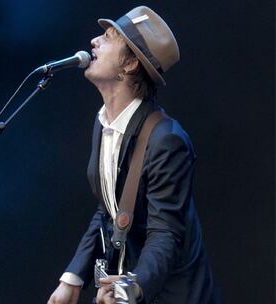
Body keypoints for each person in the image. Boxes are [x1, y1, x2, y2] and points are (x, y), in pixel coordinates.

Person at [48, 6, 222, 304]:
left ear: (129, 64)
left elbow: (165, 232)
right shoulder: (103, 123)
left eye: (107, 37)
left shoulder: (166, 139)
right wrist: (73, 279)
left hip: (173, 294)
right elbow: (110, 210)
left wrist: (133, 288)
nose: (94, 41)